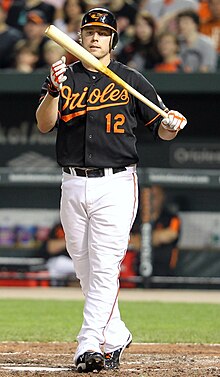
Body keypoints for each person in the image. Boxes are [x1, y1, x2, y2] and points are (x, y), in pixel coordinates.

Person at [35, 7, 187, 373]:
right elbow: (44, 124)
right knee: (84, 265)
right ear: (81, 36)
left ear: (113, 40)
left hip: (116, 183)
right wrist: (54, 91)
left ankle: (88, 343)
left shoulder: (130, 78)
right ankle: (116, 333)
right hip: (71, 181)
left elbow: (161, 128)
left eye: (102, 33)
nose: (95, 38)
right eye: (89, 32)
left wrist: (171, 124)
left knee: (104, 266)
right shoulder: (63, 77)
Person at [149, 185, 181, 277]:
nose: (151, 199)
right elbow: (127, 239)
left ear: (162, 197)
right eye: (149, 196)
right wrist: (157, 237)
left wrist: (142, 240)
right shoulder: (135, 217)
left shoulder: (172, 218)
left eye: (155, 196)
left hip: (165, 275)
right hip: (136, 274)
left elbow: (171, 234)